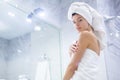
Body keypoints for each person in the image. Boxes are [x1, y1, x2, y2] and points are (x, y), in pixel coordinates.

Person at [63, 2, 106, 80]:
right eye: (74, 22)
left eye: (80, 20)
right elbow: (82, 64)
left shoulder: (85, 35)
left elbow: (72, 66)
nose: (76, 25)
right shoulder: (95, 39)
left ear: (88, 19)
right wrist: (70, 51)